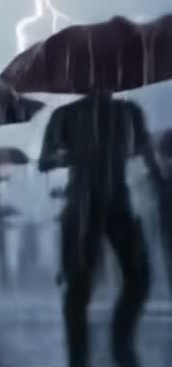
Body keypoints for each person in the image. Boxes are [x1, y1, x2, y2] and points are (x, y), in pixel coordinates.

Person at [39, 95, 167, 367]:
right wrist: (76, 155)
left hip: (113, 203)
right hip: (84, 205)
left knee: (138, 276)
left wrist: (161, 187)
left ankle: (120, 342)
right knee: (79, 285)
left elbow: (145, 152)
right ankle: (81, 356)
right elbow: (44, 160)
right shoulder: (67, 115)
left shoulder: (128, 111)